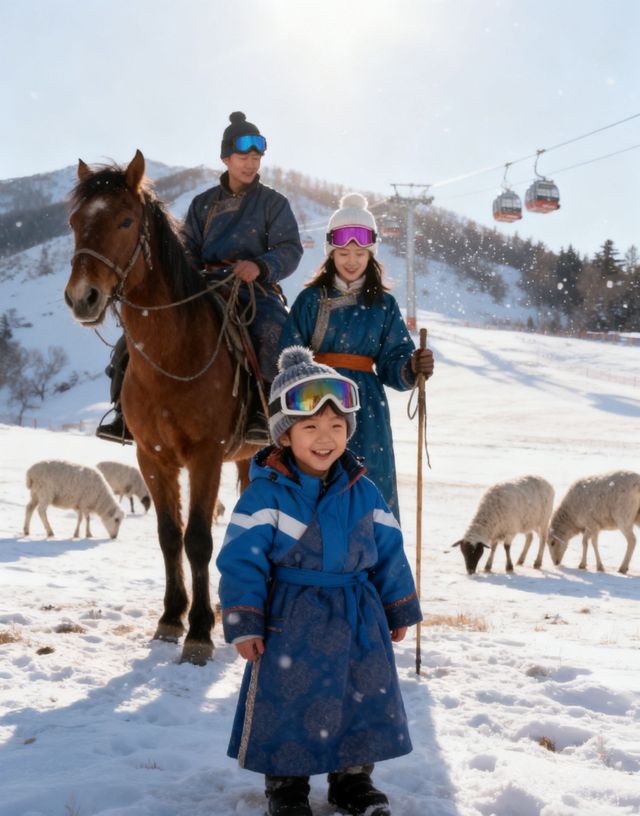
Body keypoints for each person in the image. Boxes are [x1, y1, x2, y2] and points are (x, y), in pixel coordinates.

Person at [216, 346, 423, 816]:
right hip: (293, 615)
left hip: (357, 615)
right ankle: (286, 784)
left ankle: (353, 781)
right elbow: (241, 561)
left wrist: (398, 605)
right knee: (288, 697)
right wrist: (245, 621)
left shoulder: (362, 488)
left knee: (361, 695)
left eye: (336, 426)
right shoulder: (265, 494)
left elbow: (388, 549)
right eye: (310, 427)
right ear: (285, 435)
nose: (325, 438)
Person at [96, 111, 303, 445]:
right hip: (203, 285)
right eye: (242, 158)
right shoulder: (203, 204)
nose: (250, 165)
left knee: (274, 334)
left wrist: (260, 267)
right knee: (135, 338)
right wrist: (189, 273)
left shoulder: (272, 203)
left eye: (255, 158)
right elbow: (186, 249)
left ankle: (265, 414)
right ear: (225, 159)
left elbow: (290, 248)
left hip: (253, 289)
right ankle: (124, 413)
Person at [278, 193, 434, 519]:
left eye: (360, 253)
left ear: (371, 254)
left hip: (366, 407)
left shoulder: (384, 305)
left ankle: (373, 557)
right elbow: (289, 352)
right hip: (316, 402)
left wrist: (411, 366)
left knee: (368, 481)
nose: (351, 260)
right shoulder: (311, 299)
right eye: (343, 252)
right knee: (318, 478)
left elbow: (393, 360)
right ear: (331, 253)